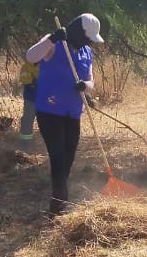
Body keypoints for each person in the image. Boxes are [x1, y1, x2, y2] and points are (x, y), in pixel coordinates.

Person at [25, 13, 103, 217]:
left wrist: (85, 86)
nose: (89, 42)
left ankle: (59, 196)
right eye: (88, 37)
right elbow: (31, 57)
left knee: (68, 157)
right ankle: (59, 205)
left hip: (73, 112)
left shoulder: (87, 52)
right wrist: (52, 39)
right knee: (58, 156)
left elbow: (91, 81)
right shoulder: (54, 43)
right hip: (49, 111)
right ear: (79, 31)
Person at [17, 59, 40, 146]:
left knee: (47, 122)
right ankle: (25, 145)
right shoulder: (28, 65)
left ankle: (46, 145)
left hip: (46, 101)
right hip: (31, 99)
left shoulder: (49, 64)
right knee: (27, 120)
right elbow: (26, 82)